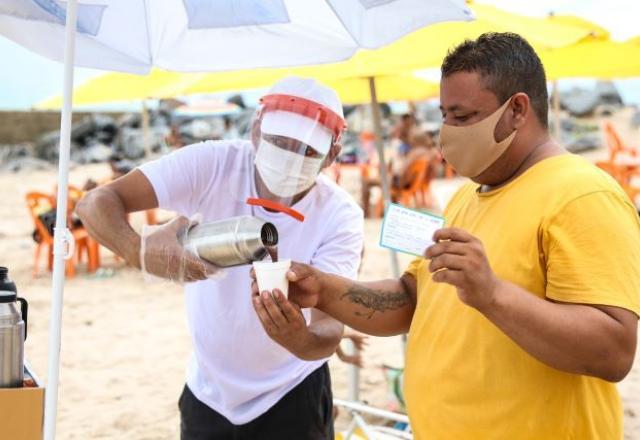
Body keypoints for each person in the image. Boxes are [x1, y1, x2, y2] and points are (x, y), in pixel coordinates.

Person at [252, 33, 640, 439]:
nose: (446, 131)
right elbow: (414, 298)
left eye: (463, 116)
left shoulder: (580, 194)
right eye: (443, 115)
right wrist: (324, 290)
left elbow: (613, 351)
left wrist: (492, 293)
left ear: (517, 110)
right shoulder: (469, 195)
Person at [77, 77, 364, 439]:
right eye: (279, 142)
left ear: (332, 156)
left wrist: (298, 340)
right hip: (207, 391)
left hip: (291, 391)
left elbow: (328, 328)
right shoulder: (213, 164)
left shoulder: (339, 215)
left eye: (306, 150)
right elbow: (95, 203)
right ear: (257, 129)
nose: (289, 157)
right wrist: (140, 252)